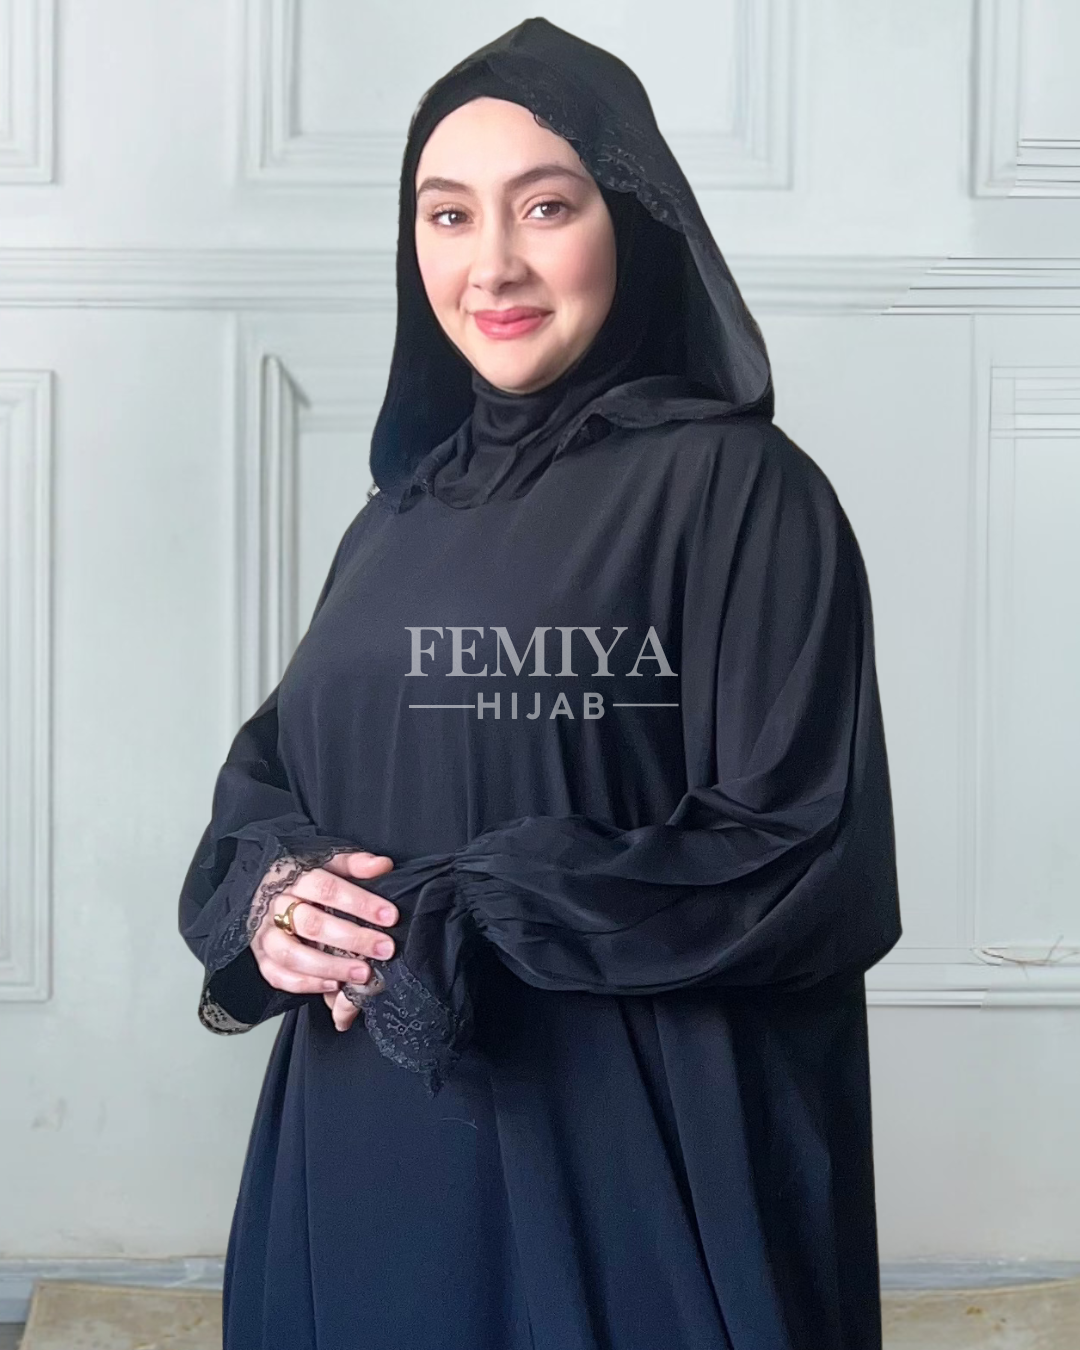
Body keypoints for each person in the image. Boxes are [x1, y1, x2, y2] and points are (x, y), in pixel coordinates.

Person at [178, 17, 902, 1350]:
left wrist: (471, 905)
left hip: (622, 1151)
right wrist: (279, 898)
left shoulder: (739, 490)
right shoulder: (397, 516)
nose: (493, 262)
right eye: (448, 215)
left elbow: (799, 845)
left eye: (547, 206)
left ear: (633, 220)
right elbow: (274, 771)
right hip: (366, 1142)